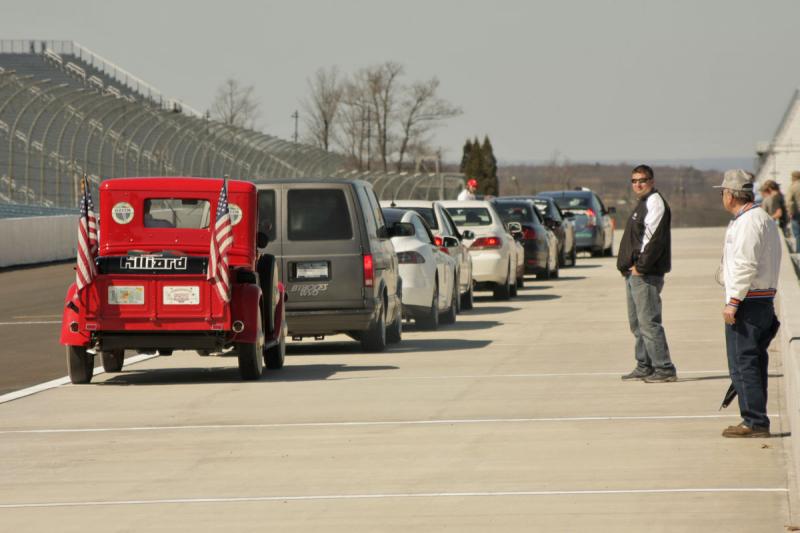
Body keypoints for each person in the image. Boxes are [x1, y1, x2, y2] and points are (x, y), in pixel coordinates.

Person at [716, 169, 781, 438]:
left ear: (730, 195)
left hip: (749, 303)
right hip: (759, 300)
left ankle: (754, 421)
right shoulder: (755, 218)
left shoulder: (749, 222)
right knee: (752, 362)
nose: (722, 197)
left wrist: (733, 302)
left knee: (743, 363)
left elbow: (745, 265)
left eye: (722, 192)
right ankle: (754, 418)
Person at [617, 164, 676, 383]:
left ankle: (664, 368)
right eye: (634, 181)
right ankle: (645, 365)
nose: (638, 184)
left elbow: (653, 240)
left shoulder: (655, 202)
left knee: (649, 322)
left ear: (651, 181)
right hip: (633, 274)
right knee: (637, 323)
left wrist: (640, 267)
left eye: (642, 180)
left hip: (646, 274)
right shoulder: (642, 203)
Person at [786, 170, 800, 249]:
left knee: (797, 234)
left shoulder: (793, 186)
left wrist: (790, 212)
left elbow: (789, 201)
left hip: (797, 213)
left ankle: (799, 252)